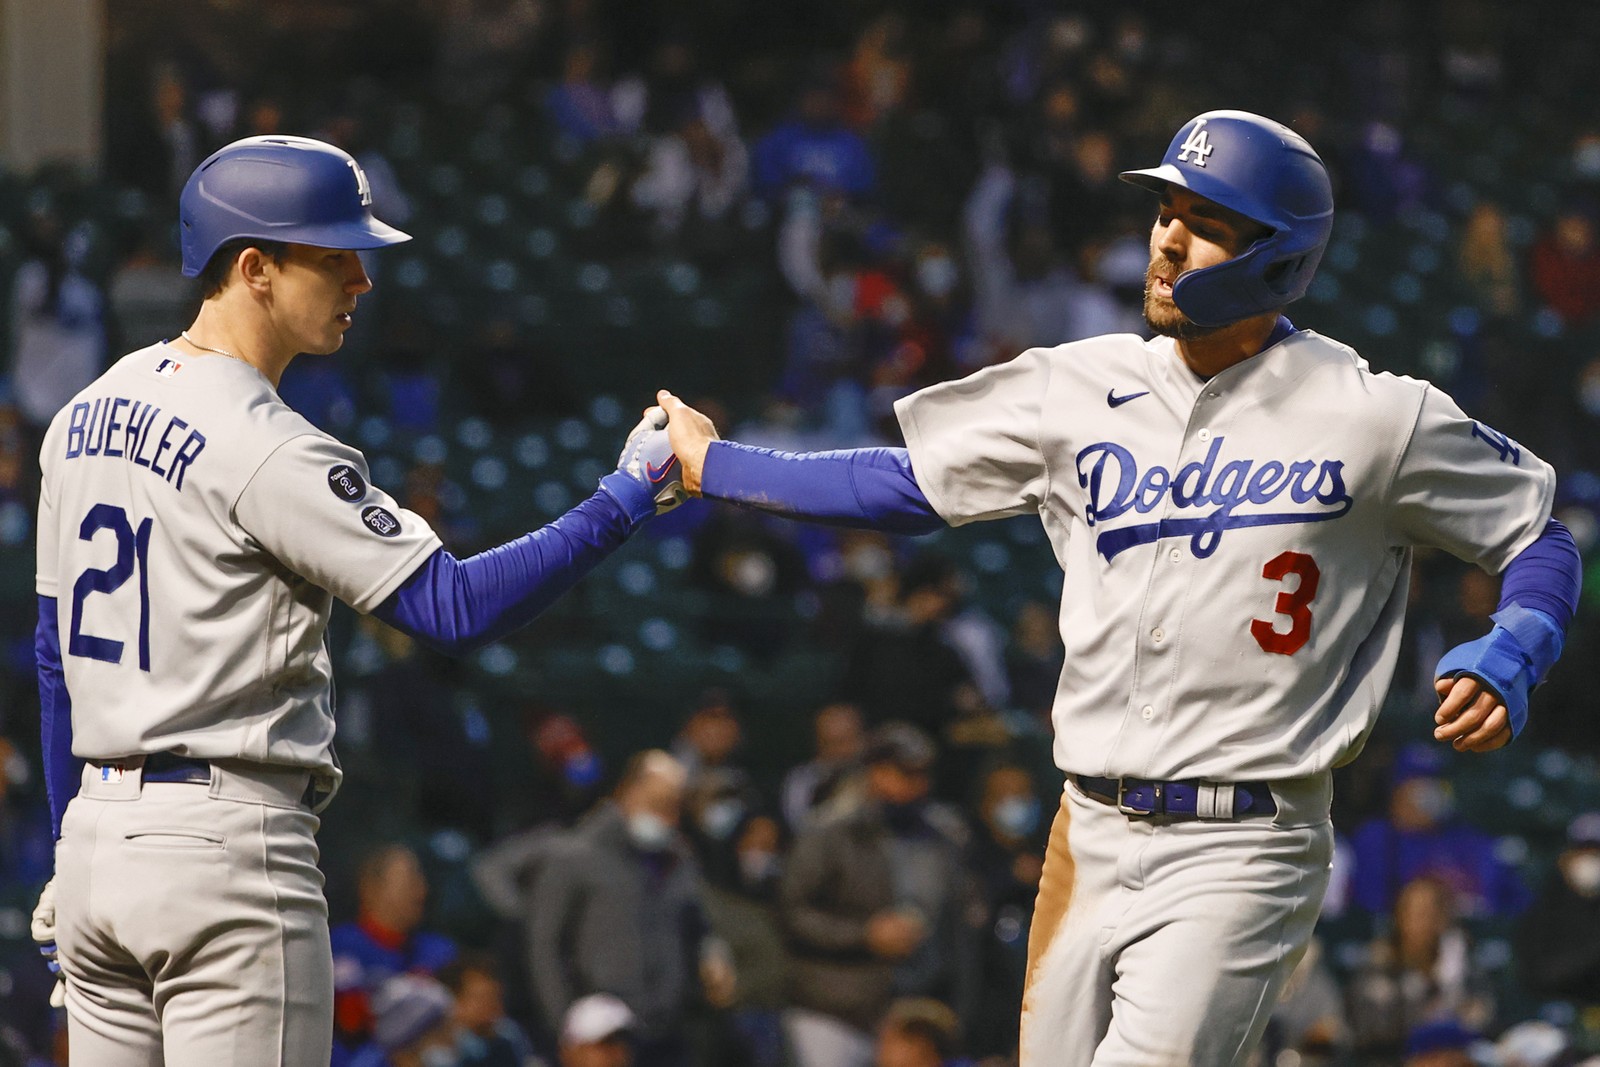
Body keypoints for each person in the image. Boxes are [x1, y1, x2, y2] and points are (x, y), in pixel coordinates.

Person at [654, 110, 1582, 1065]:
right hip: (1083, 828)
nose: (1167, 238)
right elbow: (900, 483)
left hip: (1244, 842)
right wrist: (717, 465)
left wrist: (1517, 644)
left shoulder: (1376, 415)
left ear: (1278, 255)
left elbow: (1537, 534)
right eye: (1166, 209)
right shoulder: (1078, 384)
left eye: (1207, 220)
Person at [29, 135, 686, 1066]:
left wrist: (67, 840)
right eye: (334, 256)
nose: (361, 280)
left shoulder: (82, 414)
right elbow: (453, 608)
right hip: (225, 851)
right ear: (254, 267)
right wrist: (625, 496)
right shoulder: (266, 443)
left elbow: (57, 660)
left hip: (97, 843)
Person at [778, 723, 980, 1067]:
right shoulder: (830, 830)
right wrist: (865, 934)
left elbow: (958, 930)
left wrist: (960, 1008)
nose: (915, 783)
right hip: (835, 1010)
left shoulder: (942, 836)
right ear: (874, 771)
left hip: (912, 1012)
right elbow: (791, 914)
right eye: (903, 772)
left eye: (921, 773)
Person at [526, 750, 732, 1067]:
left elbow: (697, 921)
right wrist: (565, 1024)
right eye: (658, 804)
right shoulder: (576, 855)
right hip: (603, 1036)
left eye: (674, 807)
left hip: (669, 1028)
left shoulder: (677, 858)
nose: (668, 819)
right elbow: (544, 944)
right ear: (628, 792)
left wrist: (712, 952)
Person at [331, 844, 459, 1059]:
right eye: (409, 882)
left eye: (421, 881)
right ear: (370, 889)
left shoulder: (440, 953)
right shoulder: (337, 946)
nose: (421, 891)